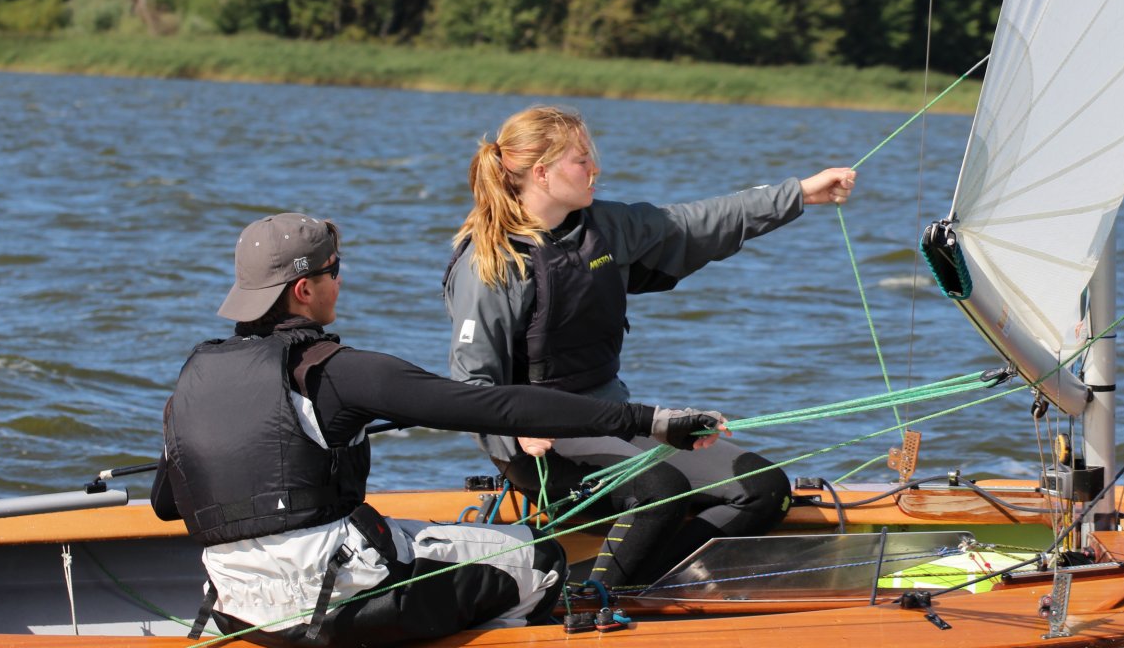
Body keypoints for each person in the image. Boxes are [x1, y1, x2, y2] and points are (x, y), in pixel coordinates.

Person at [152, 212, 725, 647]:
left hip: (236, 608)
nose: (339, 282)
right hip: (330, 602)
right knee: (539, 559)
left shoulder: (195, 379)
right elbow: (497, 407)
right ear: (304, 290)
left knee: (427, 542)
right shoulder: (339, 371)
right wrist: (647, 421)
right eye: (334, 271)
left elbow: (166, 503)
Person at [444, 105, 856, 589]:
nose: (595, 169)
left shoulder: (605, 226)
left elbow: (698, 221)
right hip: (540, 446)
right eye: (581, 160)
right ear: (541, 173)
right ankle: (587, 598)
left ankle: (639, 587)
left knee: (763, 489)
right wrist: (513, 435)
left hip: (613, 420)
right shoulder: (491, 264)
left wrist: (799, 193)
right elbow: (470, 384)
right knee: (660, 490)